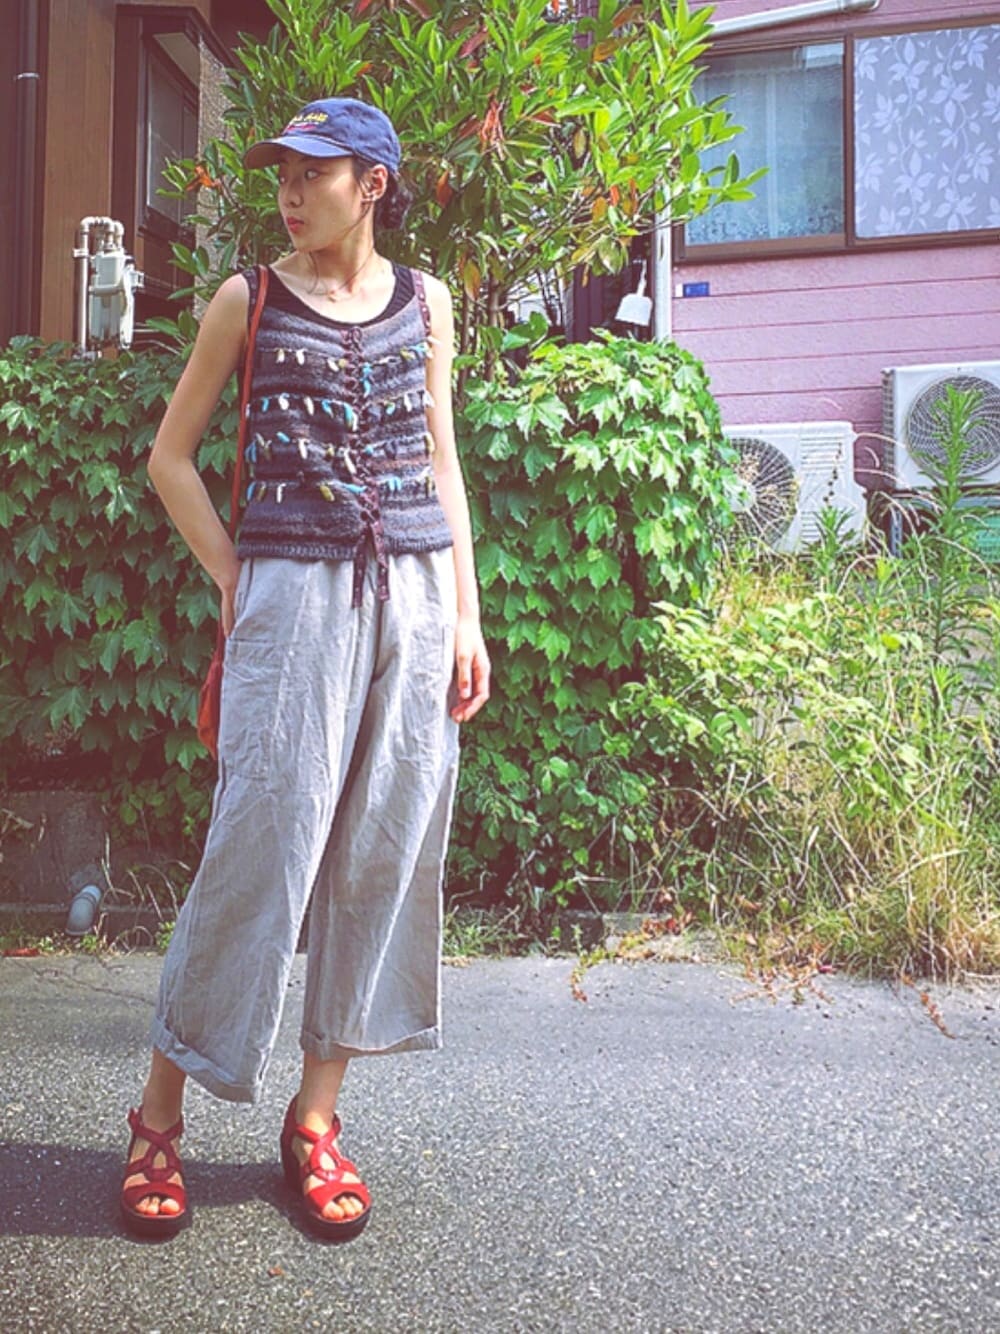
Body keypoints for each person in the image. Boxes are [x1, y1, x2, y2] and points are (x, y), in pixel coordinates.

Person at [120, 97, 490, 1241]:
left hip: (415, 594)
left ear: (370, 184)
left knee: (384, 848)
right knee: (259, 846)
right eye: (281, 170)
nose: (289, 190)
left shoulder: (428, 300)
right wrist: (237, 573)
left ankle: (315, 1117)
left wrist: (466, 615)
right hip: (293, 595)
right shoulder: (250, 297)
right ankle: (159, 1115)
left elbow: (440, 458)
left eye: (313, 172)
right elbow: (169, 457)